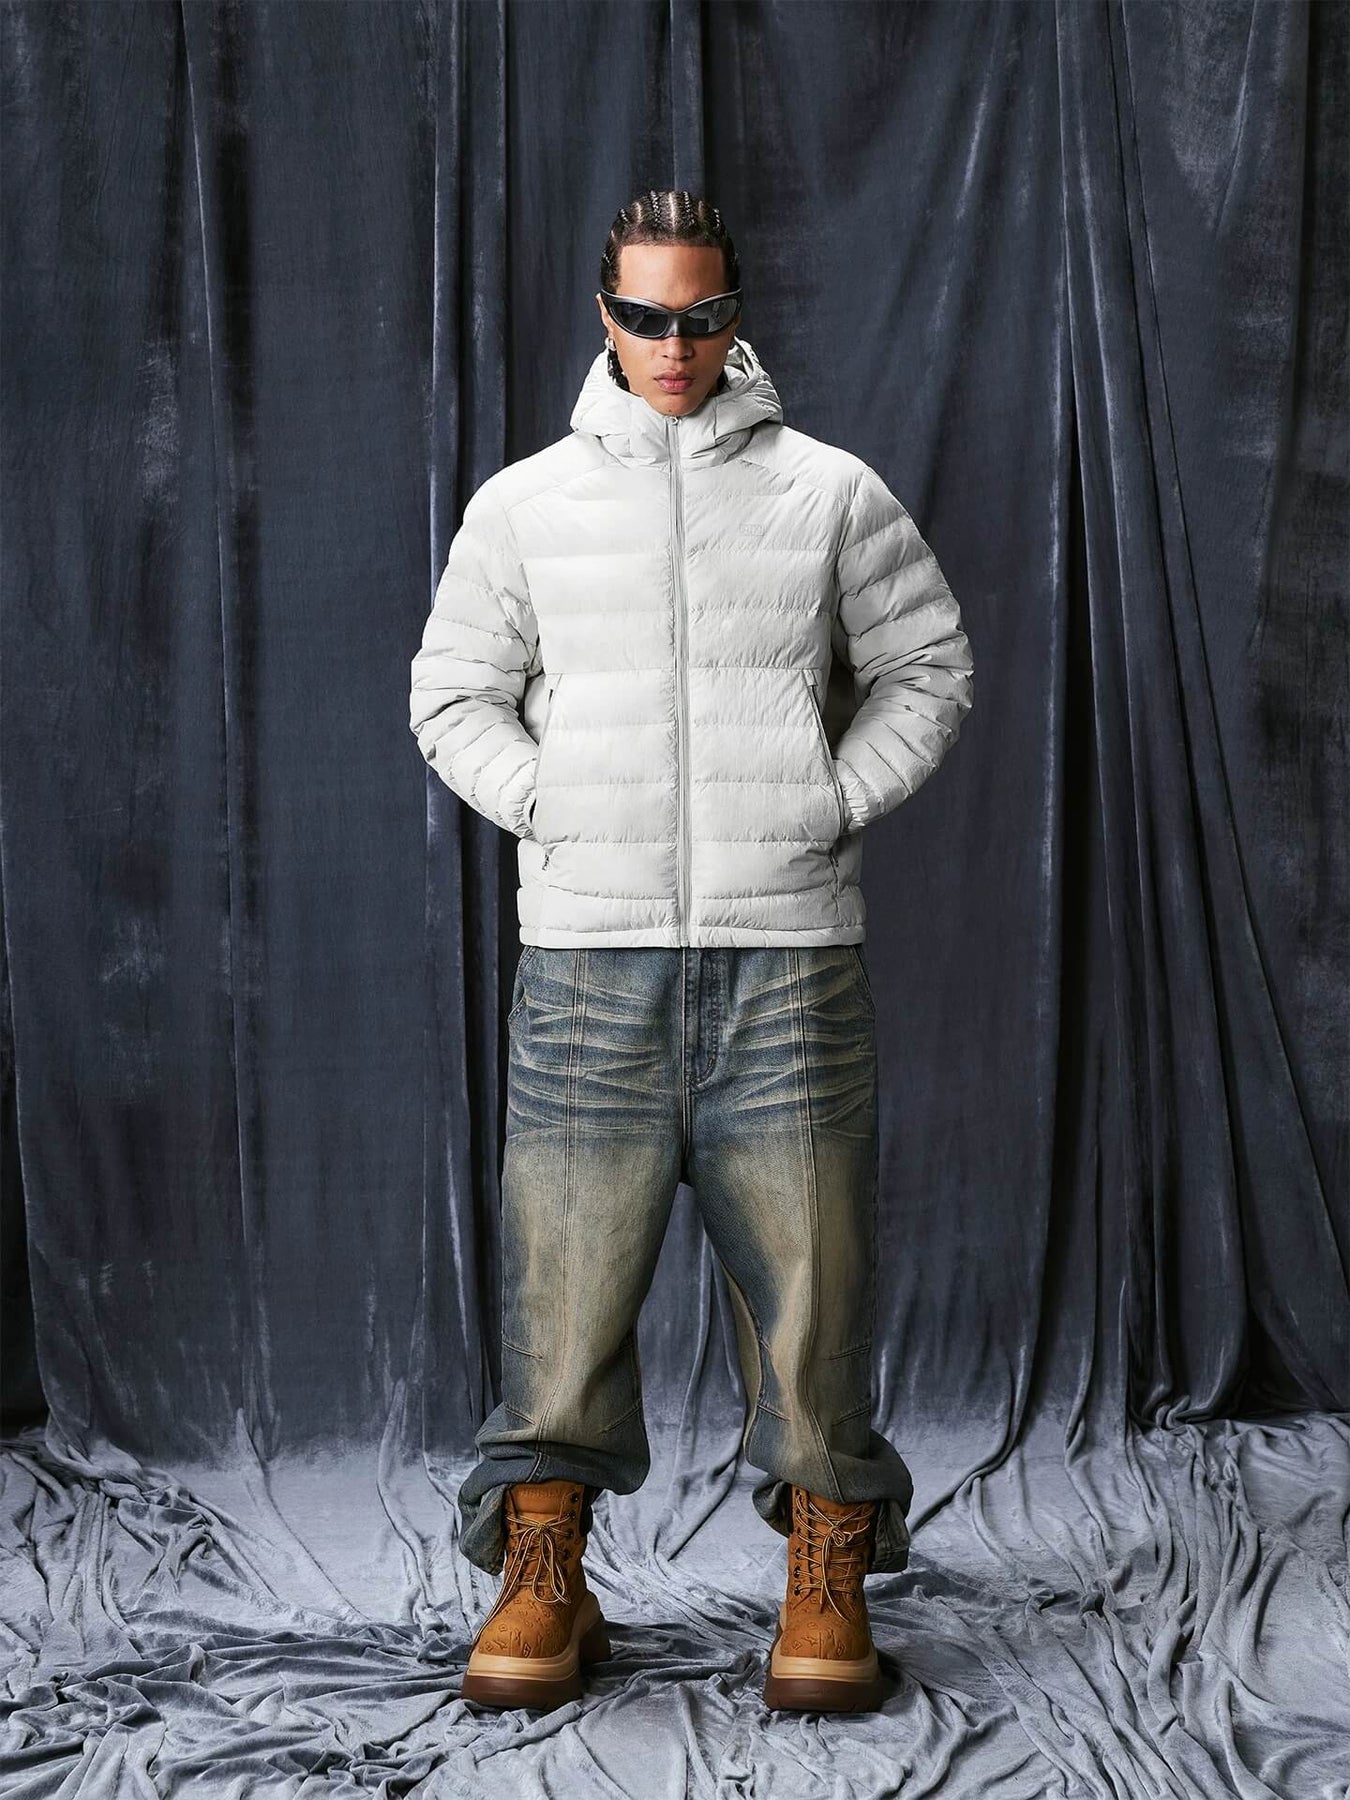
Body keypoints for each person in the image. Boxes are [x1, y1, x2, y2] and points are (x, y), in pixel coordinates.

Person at [409, 189, 974, 1715]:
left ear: (736, 313)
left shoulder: (829, 492)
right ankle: (545, 1573)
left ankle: (822, 1581)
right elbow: (452, 694)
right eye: (647, 316)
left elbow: (927, 667)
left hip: (785, 960)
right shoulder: (524, 505)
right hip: (587, 964)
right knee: (562, 1295)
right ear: (605, 315)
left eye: (702, 314)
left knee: (814, 1290)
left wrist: (823, 804)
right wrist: (556, 808)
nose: (675, 345)